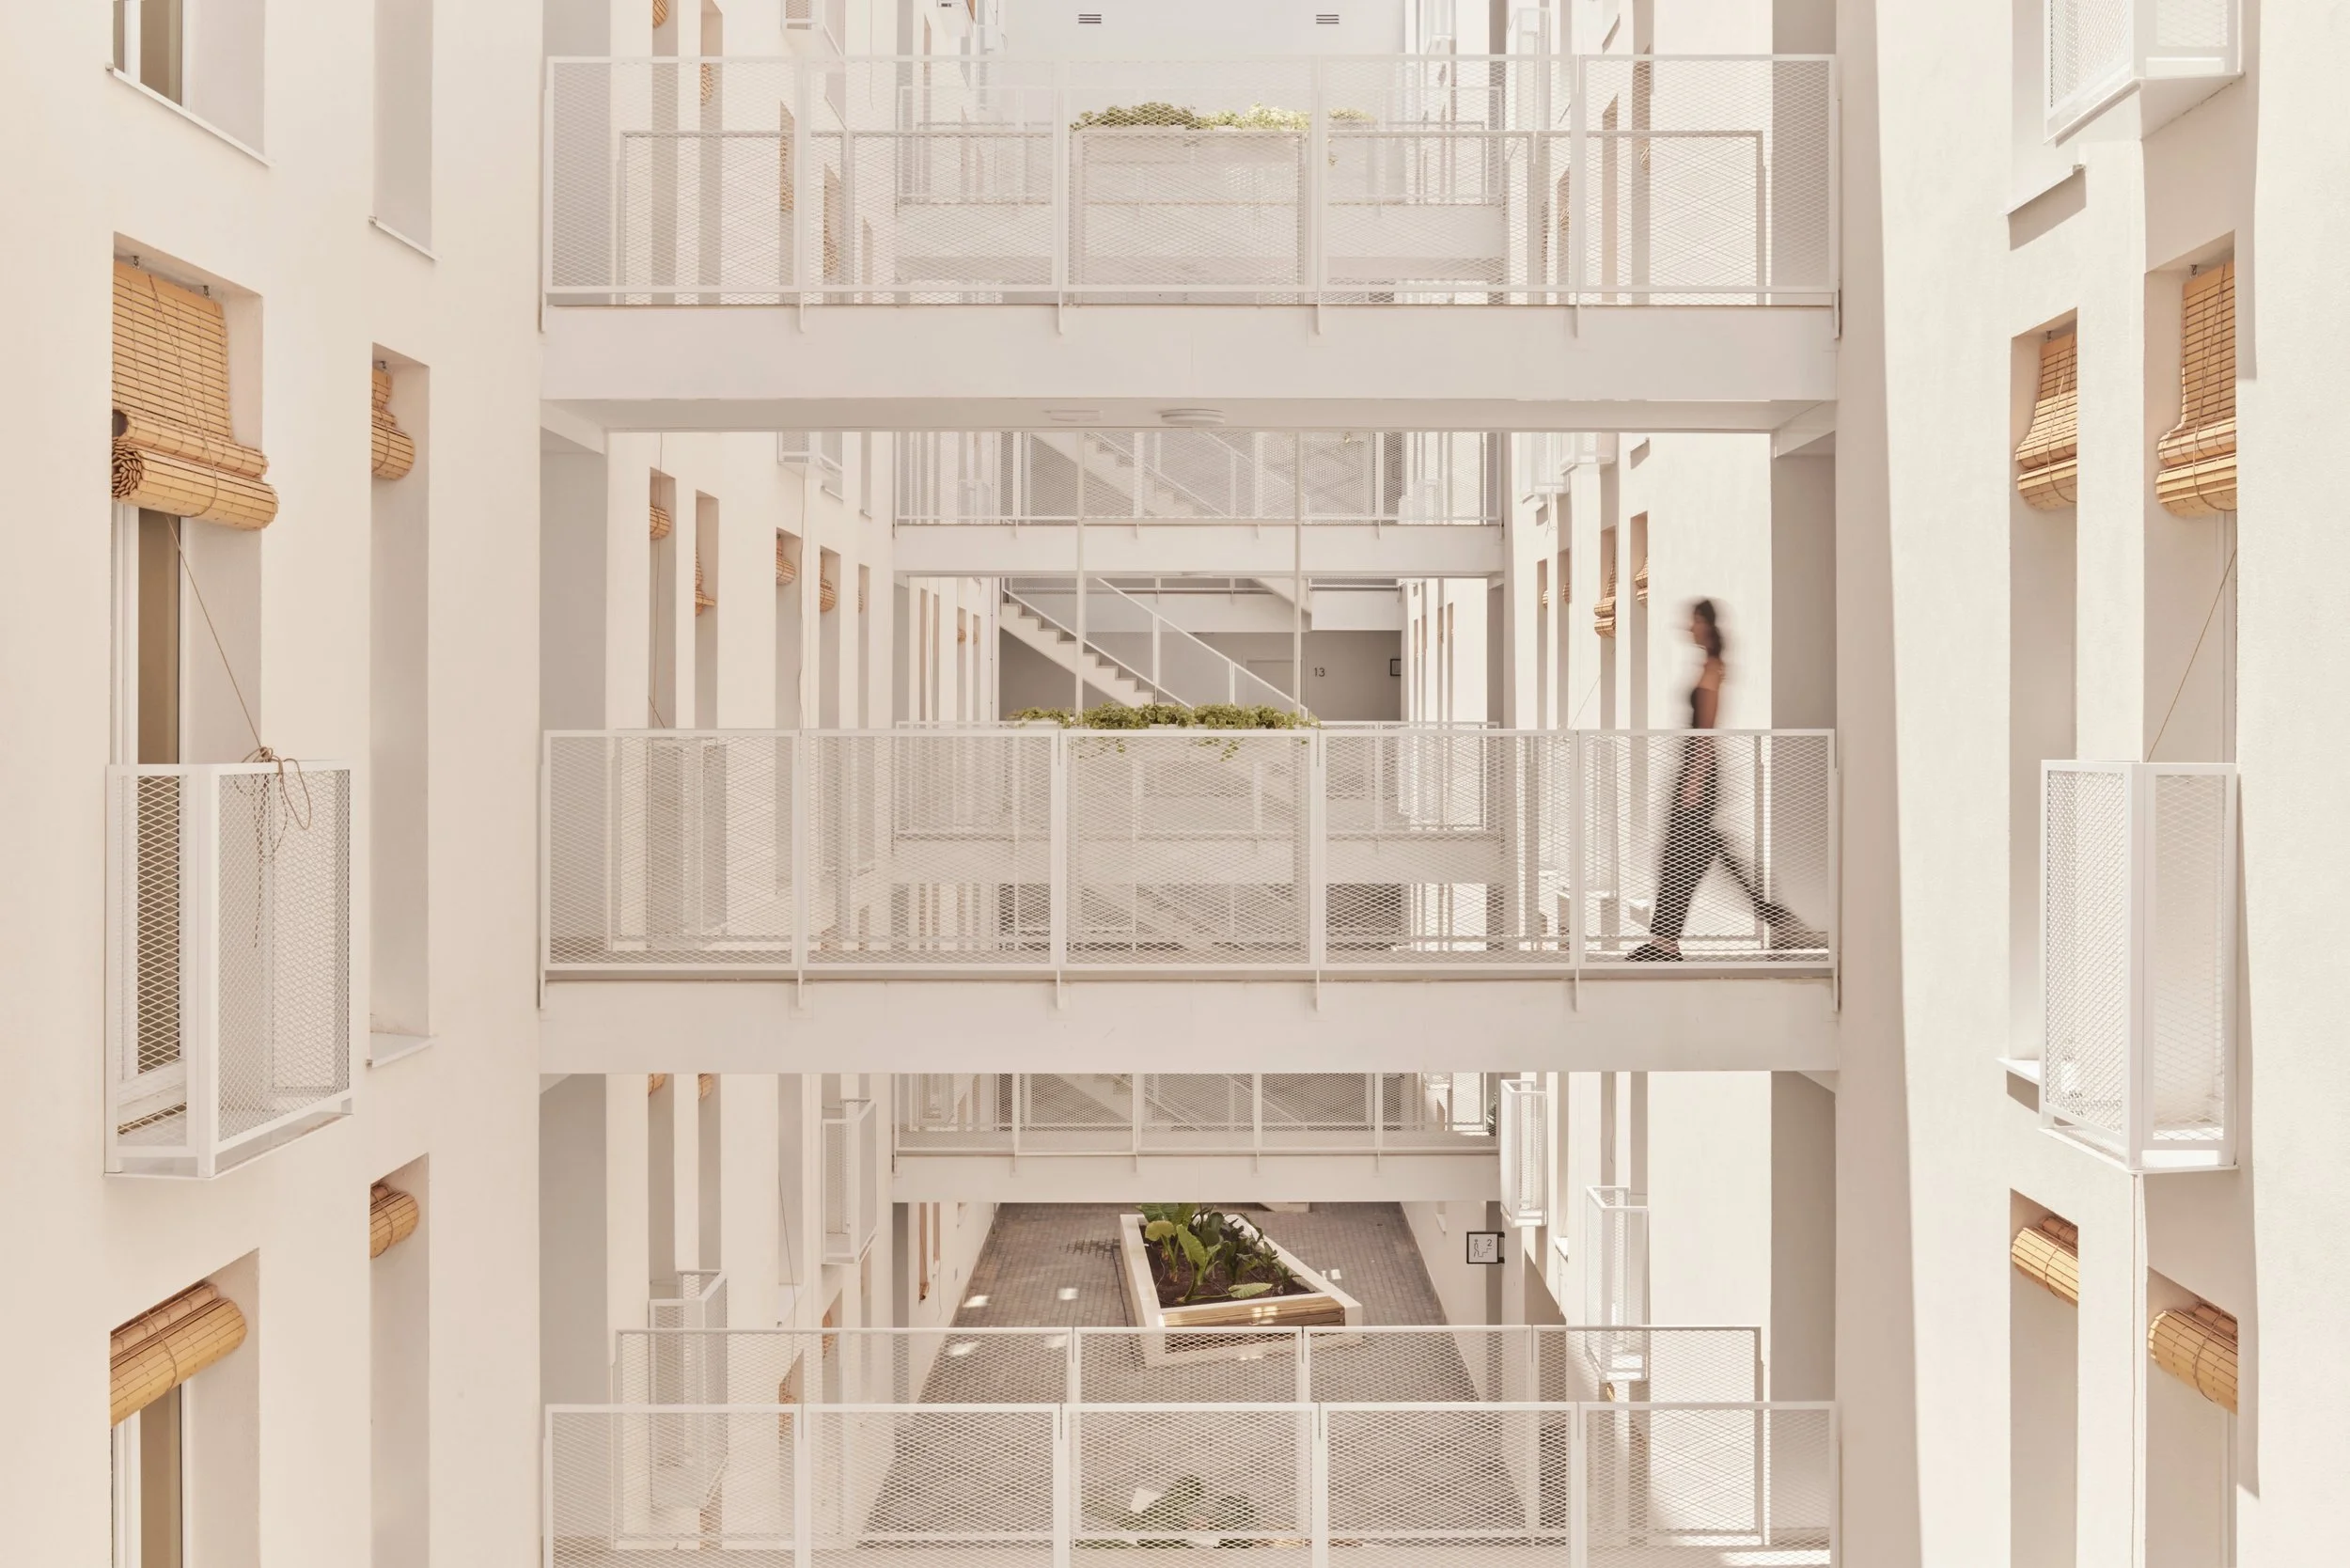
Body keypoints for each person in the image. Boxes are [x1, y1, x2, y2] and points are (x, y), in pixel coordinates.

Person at [1630, 600, 1810, 961]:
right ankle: (1772, 916)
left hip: (1698, 772)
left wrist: (1694, 780)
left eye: (1694, 622)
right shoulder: (1707, 665)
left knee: (1678, 858)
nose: (1688, 628)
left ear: (1707, 625)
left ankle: (1666, 942)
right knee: (1697, 854)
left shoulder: (1712, 668)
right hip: (1695, 771)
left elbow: (1707, 730)